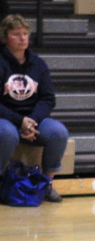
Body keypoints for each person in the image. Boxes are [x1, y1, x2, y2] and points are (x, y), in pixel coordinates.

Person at [0, 14, 68, 203]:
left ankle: (46, 183)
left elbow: (48, 99)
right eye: (16, 34)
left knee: (58, 132)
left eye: (25, 34)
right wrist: (19, 121)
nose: (22, 38)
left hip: (32, 119)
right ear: (5, 38)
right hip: (6, 118)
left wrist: (32, 120)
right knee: (7, 134)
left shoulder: (38, 63)